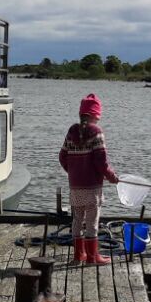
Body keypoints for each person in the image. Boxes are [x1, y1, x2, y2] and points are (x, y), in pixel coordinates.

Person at [58, 93, 120, 264]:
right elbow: (102, 162)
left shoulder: (72, 131)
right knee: (92, 221)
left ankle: (78, 256)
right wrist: (111, 176)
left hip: (75, 186)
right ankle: (93, 257)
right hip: (92, 187)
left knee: (77, 219)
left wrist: (73, 172)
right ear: (95, 115)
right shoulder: (97, 132)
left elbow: (62, 156)